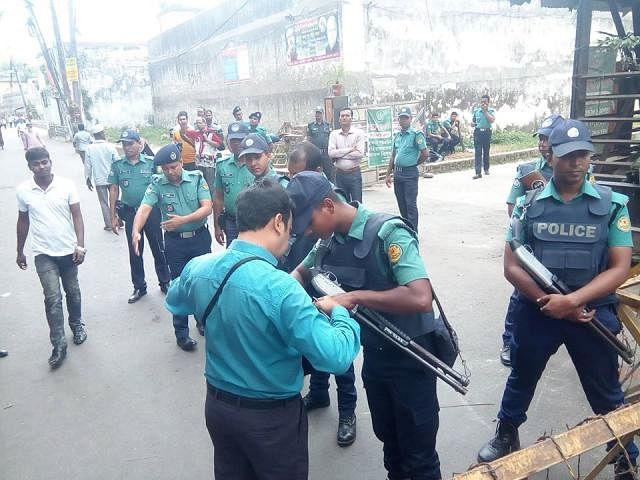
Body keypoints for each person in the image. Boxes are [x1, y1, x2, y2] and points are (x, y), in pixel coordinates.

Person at [165, 178, 360, 480]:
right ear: (279, 222)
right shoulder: (280, 289)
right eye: (292, 227)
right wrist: (340, 314)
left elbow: (175, 302)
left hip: (218, 408)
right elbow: (334, 356)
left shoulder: (199, 268)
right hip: (271, 420)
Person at [477, 119, 638, 479]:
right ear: (551, 158)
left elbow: (619, 266)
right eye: (568, 156)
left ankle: (624, 453)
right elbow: (512, 265)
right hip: (538, 310)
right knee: (522, 374)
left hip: (589, 311)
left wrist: (573, 301)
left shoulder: (613, 205)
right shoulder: (527, 203)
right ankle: (506, 433)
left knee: (605, 388)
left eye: (583, 155)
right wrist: (546, 302)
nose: (576, 163)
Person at [289, 171, 442, 479]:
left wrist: (351, 298)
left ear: (328, 206)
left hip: (412, 357)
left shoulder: (388, 232)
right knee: (391, 445)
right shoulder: (327, 242)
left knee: (419, 456)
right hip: (375, 356)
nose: (307, 232)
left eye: (309, 223)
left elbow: (421, 296)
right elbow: (300, 275)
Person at [284, 145, 359, 447]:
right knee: (312, 351)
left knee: (340, 361)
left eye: (298, 174)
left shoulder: (333, 213)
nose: (293, 181)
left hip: (334, 295)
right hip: (306, 288)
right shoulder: (302, 207)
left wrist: (341, 303)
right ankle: (318, 395)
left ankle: (348, 414)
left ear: (316, 173)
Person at [132, 143, 213, 350]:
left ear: (181, 162)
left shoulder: (196, 178)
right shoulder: (157, 184)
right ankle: (181, 333)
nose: (170, 171)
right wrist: (136, 231)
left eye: (173, 167)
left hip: (199, 239)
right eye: (165, 168)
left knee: (202, 283)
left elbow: (207, 208)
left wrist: (182, 220)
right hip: (175, 243)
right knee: (179, 285)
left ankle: (202, 321)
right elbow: (144, 208)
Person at [498, 114, 563, 366]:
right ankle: (508, 340)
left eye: (548, 138)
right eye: (541, 138)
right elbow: (512, 205)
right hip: (533, 249)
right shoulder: (528, 171)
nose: (543, 143)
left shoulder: (580, 168)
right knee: (521, 294)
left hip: (565, 246)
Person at [16, 147, 87, 369]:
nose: (42, 167)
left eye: (45, 162)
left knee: (72, 292)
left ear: (50, 162)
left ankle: (76, 325)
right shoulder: (23, 190)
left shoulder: (66, 185)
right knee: (52, 299)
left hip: (68, 251)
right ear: (30, 167)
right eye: (37, 164)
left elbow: (77, 216)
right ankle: (58, 345)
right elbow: (23, 221)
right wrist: (19, 251)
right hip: (43, 253)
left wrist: (80, 245)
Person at [108, 129, 170, 304]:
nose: (126, 147)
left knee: (159, 248)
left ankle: (165, 282)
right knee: (135, 251)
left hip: (152, 213)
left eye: (130, 143)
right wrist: (112, 216)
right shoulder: (118, 165)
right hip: (130, 213)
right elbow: (113, 189)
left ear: (139, 144)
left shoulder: (151, 163)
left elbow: (163, 184)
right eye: (124, 144)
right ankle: (139, 286)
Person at [385, 107, 428, 230]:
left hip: (410, 174)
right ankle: (407, 229)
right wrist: (388, 174)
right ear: (398, 119)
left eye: (406, 117)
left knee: (410, 205)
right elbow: (393, 156)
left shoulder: (416, 134)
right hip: (398, 174)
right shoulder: (398, 136)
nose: (403, 120)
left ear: (410, 119)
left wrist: (413, 163)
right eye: (401, 118)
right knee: (401, 204)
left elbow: (425, 153)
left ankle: (413, 232)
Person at [213, 121, 252, 248]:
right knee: (233, 257)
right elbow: (218, 198)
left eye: (240, 139)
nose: (236, 143)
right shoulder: (222, 165)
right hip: (231, 222)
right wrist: (217, 226)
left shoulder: (256, 165)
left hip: (254, 222)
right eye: (233, 140)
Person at [84, 124, 119, 231]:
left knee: (104, 203)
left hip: (99, 180)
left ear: (94, 136)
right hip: (112, 179)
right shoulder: (110, 146)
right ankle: (119, 220)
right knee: (116, 200)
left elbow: (88, 166)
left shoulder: (89, 148)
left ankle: (109, 224)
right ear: (102, 134)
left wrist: (88, 179)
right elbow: (117, 161)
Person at [328, 108, 365, 202]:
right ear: (339, 119)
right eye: (342, 116)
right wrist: (350, 150)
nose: (344, 118)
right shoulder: (334, 134)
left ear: (352, 118)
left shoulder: (359, 133)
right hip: (339, 175)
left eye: (347, 115)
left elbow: (360, 153)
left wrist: (339, 154)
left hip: (354, 174)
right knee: (342, 203)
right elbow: (331, 153)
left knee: (358, 204)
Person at [194, 116, 222, 192]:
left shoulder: (211, 133)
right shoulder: (196, 133)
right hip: (199, 162)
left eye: (200, 123)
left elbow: (219, 144)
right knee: (201, 184)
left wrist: (207, 140)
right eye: (197, 123)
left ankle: (213, 202)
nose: (198, 124)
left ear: (204, 123)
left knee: (210, 184)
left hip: (209, 163)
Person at [471, 94, 496, 179]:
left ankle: (486, 168)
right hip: (478, 132)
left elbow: (492, 120)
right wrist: (472, 124)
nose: (483, 104)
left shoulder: (491, 111)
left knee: (486, 151)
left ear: (488, 102)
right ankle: (478, 172)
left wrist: (485, 111)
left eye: (485, 102)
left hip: (487, 132)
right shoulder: (476, 111)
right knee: (478, 152)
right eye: (481, 102)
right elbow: (473, 121)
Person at [307, 106, 334, 182]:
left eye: (319, 113)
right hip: (315, 153)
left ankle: (331, 190)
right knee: (315, 172)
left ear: (322, 114)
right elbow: (309, 139)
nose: (318, 115)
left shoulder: (327, 125)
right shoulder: (311, 126)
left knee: (329, 172)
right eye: (316, 114)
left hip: (326, 153)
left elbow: (331, 138)